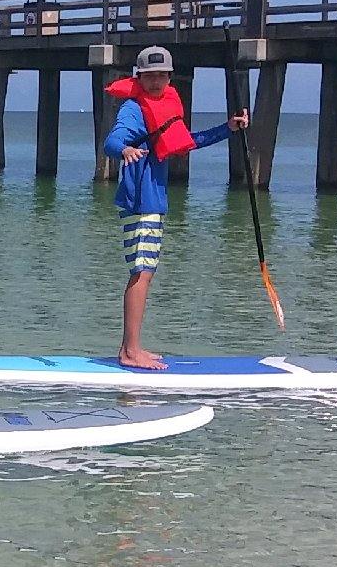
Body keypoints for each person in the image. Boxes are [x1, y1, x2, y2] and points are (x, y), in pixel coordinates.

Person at [102, 49, 247, 371]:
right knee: (141, 272)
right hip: (141, 201)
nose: (156, 82)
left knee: (146, 271)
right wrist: (124, 149)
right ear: (139, 77)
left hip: (153, 201)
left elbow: (187, 141)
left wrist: (228, 129)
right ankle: (130, 351)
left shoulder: (164, 107)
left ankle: (130, 347)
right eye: (149, 76)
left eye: (161, 76)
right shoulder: (134, 109)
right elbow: (111, 141)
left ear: (169, 77)